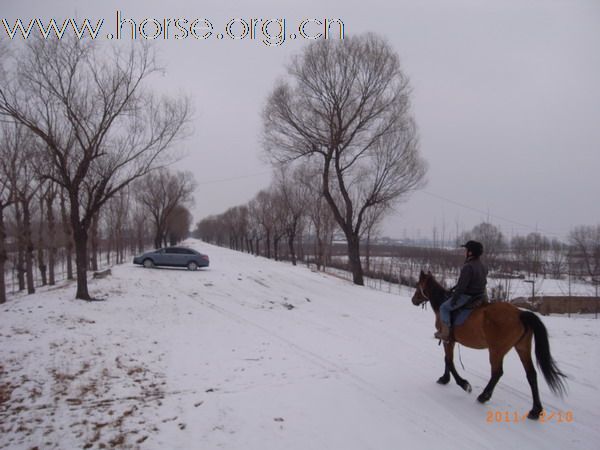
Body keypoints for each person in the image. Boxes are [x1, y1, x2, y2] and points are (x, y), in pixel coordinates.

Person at [434, 240, 488, 342]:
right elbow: (483, 281)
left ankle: (445, 334)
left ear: (470, 252)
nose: (465, 252)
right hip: (481, 295)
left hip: (468, 296)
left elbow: (462, 287)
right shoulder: (483, 265)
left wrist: (454, 298)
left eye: (466, 250)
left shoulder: (468, 266)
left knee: (444, 307)